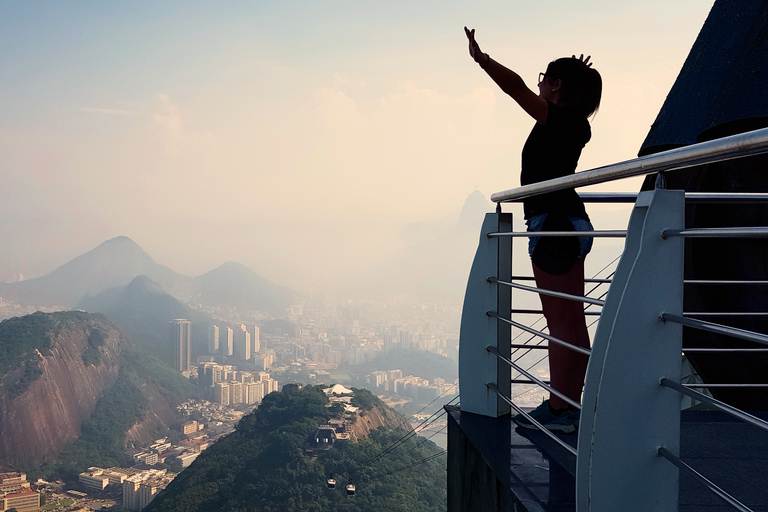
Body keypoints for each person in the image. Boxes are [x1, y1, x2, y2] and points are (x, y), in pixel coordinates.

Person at [465, 27, 602, 433]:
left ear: (556, 85)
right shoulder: (577, 125)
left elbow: (517, 90)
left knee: (560, 324)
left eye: (545, 77)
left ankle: (560, 411)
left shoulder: (557, 120)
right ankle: (573, 405)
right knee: (573, 322)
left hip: (554, 224)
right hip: (571, 223)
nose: (539, 82)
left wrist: (483, 59)